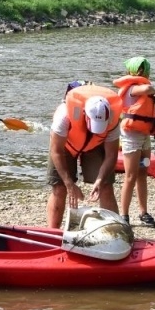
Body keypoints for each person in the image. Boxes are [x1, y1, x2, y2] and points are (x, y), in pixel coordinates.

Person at [47, 81, 120, 226]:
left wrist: (99, 179)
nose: (95, 129)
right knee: (59, 187)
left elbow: (111, 155)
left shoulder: (113, 119)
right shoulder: (64, 116)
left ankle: (113, 230)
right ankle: (52, 231)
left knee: (106, 186)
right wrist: (69, 183)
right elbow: (56, 151)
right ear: (85, 114)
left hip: (96, 144)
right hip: (66, 145)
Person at [114, 57, 155, 228]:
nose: (146, 73)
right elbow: (148, 88)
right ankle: (124, 215)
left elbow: (140, 113)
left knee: (143, 173)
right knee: (130, 176)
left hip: (144, 136)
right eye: (144, 70)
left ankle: (143, 212)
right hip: (131, 137)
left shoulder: (140, 90)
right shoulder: (131, 88)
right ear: (135, 71)